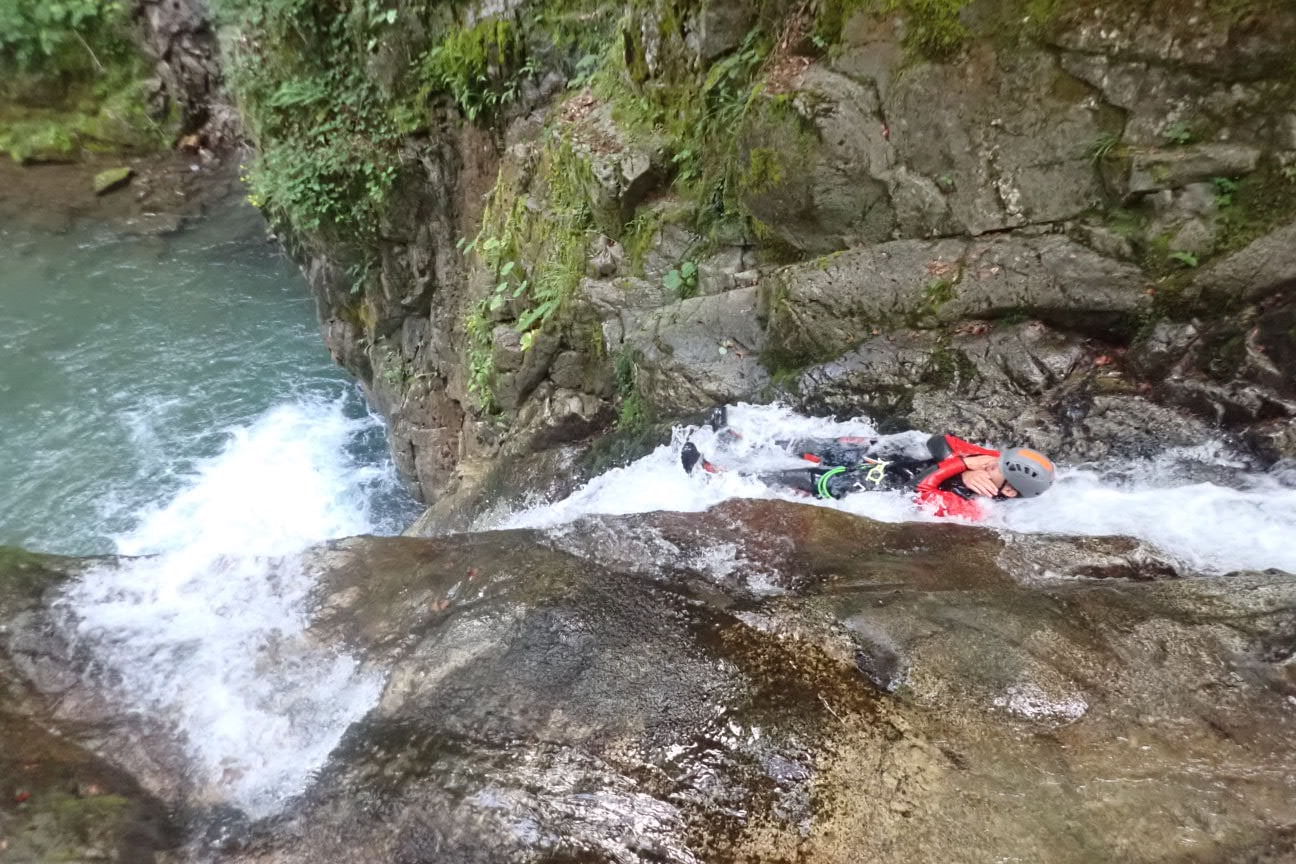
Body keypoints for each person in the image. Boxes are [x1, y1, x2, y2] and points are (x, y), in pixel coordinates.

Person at [681, 407, 1055, 520]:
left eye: (994, 471)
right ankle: (739, 443)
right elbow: (939, 442)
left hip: (876, 485)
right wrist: (969, 461)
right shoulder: (988, 462)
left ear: (1009, 492)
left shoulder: (973, 510)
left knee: (803, 477)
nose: (989, 464)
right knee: (813, 446)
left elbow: (920, 489)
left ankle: (714, 477)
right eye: (993, 462)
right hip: (887, 459)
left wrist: (959, 468)